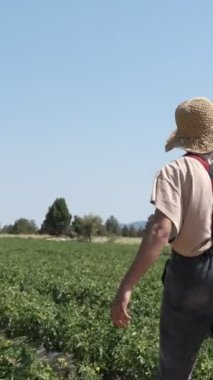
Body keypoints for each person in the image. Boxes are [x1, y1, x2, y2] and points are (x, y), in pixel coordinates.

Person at [110, 97, 213, 380]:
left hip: (192, 277)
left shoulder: (175, 172)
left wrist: (126, 287)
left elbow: (160, 230)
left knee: (174, 371)